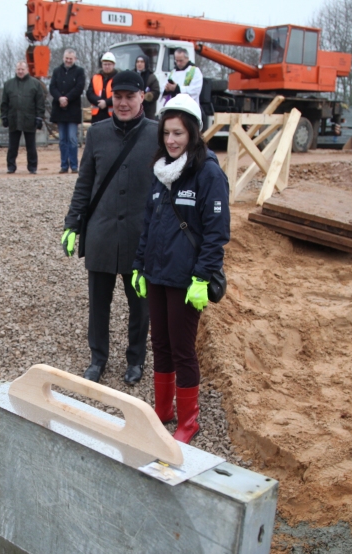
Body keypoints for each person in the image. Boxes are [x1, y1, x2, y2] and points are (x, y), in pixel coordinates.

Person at [131, 95, 229, 444]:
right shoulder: (160, 172)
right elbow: (149, 224)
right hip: (157, 274)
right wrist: (139, 266)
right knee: (160, 344)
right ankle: (163, 410)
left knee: (183, 349)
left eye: (179, 133)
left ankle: (189, 420)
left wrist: (203, 277)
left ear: (193, 134)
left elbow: (216, 233)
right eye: (167, 133)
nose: (171, 140)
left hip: (186, 280)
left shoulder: (208, 173)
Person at [62, 71, 158, 385]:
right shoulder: (98, 133)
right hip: (102, 233)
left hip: (139, 237)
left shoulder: (157, 135)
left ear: (142, 97)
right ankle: (97, 358)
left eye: (130, 97)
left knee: (139, 306)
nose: (123, 103)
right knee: (98, 304)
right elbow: (84, 183)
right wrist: (72, 224)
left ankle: (135, 359)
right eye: (118, 97)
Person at [0, 61, 44, 174]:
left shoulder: (35, 84)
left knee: (31, 146)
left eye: (22, 69)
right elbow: (4, 102)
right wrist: (4, 116)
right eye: (18, 69)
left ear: (27, 70)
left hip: (29, 119)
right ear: (16, 70)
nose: (20, 71)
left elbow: (40, 102)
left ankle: (32, 167)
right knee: (12, 146)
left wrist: (39, 117)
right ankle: (11, 166)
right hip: (13, 119)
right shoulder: (8, 84)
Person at [49, 49, 85, 174]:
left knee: (72, 139)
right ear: (63, 58)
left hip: (73, 110)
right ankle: (64, 165)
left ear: (75, 59)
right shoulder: (56, 71)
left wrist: (67, 98)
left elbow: (79, 88)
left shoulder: (79, 72)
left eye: (71, 58)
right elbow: (52, 87)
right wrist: (60, 98)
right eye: (66, 58)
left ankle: (74, 165)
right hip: (59, 110)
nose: (68, 60)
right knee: (62, 139)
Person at [87, 53, 117, 124]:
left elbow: (118, 95)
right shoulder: (95, 77)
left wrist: (106, 102)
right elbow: (89, 93)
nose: (107, 66)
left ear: (113, 65)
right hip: (97, 115)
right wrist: (98, 102)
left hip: (112, 115)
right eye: (105, 64)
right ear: (102, 65)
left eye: (109, 64)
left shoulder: (118, 78)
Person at [135, 55, 160, 120]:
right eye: (137, 62)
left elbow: (156, 92)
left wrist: (148, 96)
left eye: (142, 62)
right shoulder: (132, 74)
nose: (139, 64)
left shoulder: (151, 77)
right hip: (134, 107)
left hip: (148, 110)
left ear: (146, 63)